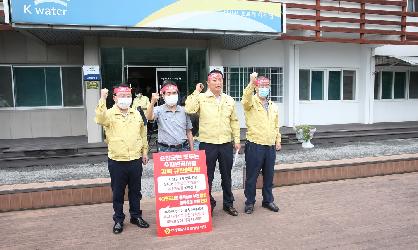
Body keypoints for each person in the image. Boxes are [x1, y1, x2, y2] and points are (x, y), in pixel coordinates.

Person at [95, 84, 150, 234]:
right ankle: (118, 220)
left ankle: (136, 216)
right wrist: (102, 98)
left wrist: (145, 151)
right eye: (121, 96)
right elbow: (99, 119)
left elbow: (142, 134)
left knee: (135, 191)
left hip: (135, 159)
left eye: (128, 96)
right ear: (114, 98)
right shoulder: (109, 113)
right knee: (118, 192)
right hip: (117, 160)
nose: (125, 99)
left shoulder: (137, 113)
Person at [185, 69, 241, 216]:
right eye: (214, 80)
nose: (218, 82)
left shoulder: (229, 99)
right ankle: (208, 203)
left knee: (226, 176)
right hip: (207, 144)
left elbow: (234, 121)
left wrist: (236, 140)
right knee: (207, 176)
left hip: (225, 144)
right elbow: (189, 108)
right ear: (208, 82)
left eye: (220, 79)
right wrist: (196, 91)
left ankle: (228, 204)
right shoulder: (201, 98)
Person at [241, 73, 281, 214]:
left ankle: (268, 200)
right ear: (256, 88)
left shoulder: (273, 106)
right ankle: (249, 202)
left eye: (267, 86)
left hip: (270, 146)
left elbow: (276, 125)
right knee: (252, 176)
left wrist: (278, 140)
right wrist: (251, 83)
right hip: (255, 145)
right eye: (261, 85)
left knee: (269, 176)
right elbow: (244, 99)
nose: (264, 88)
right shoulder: (250, 102)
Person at [145, 80, 194, 152]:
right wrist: (152, 102)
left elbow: (189, 132)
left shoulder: (184, 110)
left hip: (183, 148)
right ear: (163, 95)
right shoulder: (159, 110)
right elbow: (149, 117)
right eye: (168, 93)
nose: (172, 95)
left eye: (174, 93)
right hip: (165, 150)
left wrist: (192, 149)